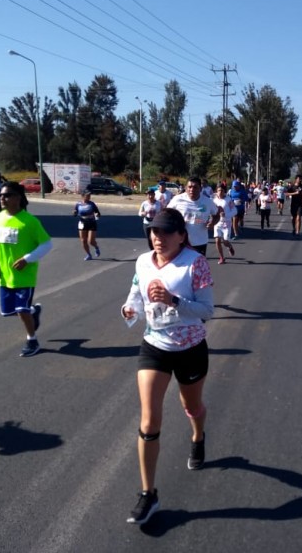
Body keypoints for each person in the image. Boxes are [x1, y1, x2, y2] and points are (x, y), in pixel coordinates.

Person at [120, 208, 215, 526]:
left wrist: (174, 301)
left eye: (163, 232)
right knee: (148, 421)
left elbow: (207, 309)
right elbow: (136, 291)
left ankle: (198, 437)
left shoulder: (195, 264)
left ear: (181, 235)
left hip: (189, 349)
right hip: (155, 346)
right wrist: (130, 308)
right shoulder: (143, 261)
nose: (156, 238)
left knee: (192, 406)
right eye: (153, 231)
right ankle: (149, 494)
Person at [0, 181, 53, 357]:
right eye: (1, 195)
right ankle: (34, 312)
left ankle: (32, 340)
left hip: (25, 275)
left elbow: (47, 244)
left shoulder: (30, 222)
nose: (2, 198)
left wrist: (27, 259)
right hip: (4, 274)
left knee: (21, 310)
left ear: (18, 197)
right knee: (8, 312)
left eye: (7, 195)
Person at [166, 176, 219, 256]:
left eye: (195, 187)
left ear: (200, 189)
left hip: (200, 242)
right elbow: (167, 215)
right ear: (186, 188)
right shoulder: (177, 199)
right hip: (180, 241)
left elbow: (217, 214)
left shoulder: (208, 202)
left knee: (197, 267)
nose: (192, 190)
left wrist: (212, 223)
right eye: (189, 187)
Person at [73, 191, 101, 260]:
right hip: (82, 223)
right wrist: (74, 213)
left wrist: (97, 215)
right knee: (83, 240)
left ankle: (96, 247)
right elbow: (74, 214)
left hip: (91, 223)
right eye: (87, 196)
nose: (89, 197)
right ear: (83, 196)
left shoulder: (92, 204)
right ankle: (89, 255)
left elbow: (98, 213)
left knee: (91, 241)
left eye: (89, 196)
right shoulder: (78, 204)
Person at [213, 184, 237, 264]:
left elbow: (235, 211)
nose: (220, 192)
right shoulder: (214, 200)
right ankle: (222, 258)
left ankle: (229, 246)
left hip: (226, 223)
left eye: (222, 191)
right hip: (217, 223)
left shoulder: (228, 200)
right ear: (216, 191)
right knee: (217, 241)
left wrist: (226, 215)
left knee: (225, 241)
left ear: (224, 191)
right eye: (218, 190)